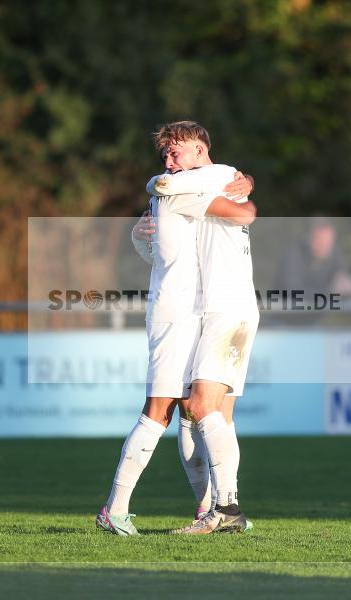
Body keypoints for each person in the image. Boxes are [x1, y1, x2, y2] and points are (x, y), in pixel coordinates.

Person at [96, 121, 256, 536]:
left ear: (201, 151)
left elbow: (245, 209)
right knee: (189, 412)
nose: (167, 163)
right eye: (164, 156)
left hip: (221, 311)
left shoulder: (199, 183)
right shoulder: (185, 187)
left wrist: (243, 184)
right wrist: (141, 231)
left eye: (175, 152)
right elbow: (167, 207)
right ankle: (212, 509)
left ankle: (220, 509)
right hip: (185, 312)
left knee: (195, 410)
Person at [275, 216, 351, 323]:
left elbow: (346, 285)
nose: (325, 247)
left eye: (329, 243)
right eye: (320, 241)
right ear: (309, 239)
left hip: (313, 322)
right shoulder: (294, 254)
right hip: (283, 322)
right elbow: (293, 292)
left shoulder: (334, 255)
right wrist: (329, 293)